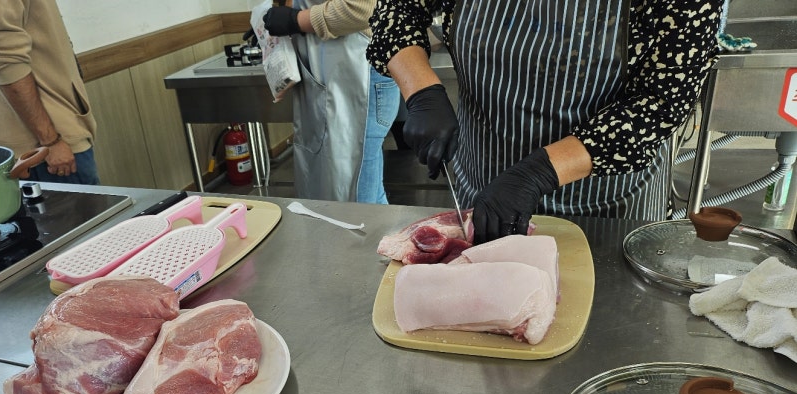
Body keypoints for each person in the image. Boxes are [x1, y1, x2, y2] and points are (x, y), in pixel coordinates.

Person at [367, 0, 724, 243]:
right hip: (480, 178)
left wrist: (537, 173)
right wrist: (422, 91)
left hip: (603, 205)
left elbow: (663, 98)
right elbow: (397, 10)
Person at [263, 0, 400, 203]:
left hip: (358, 77)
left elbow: (364, 8)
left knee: (358, 195)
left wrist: (295, 20)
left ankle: (373, 235)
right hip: (329, 76)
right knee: (338, 184)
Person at [0, 0, 100, 185]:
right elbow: (3, 57)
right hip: (46, 146)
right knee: (82, 213)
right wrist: (50, 142)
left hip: (50, 138)